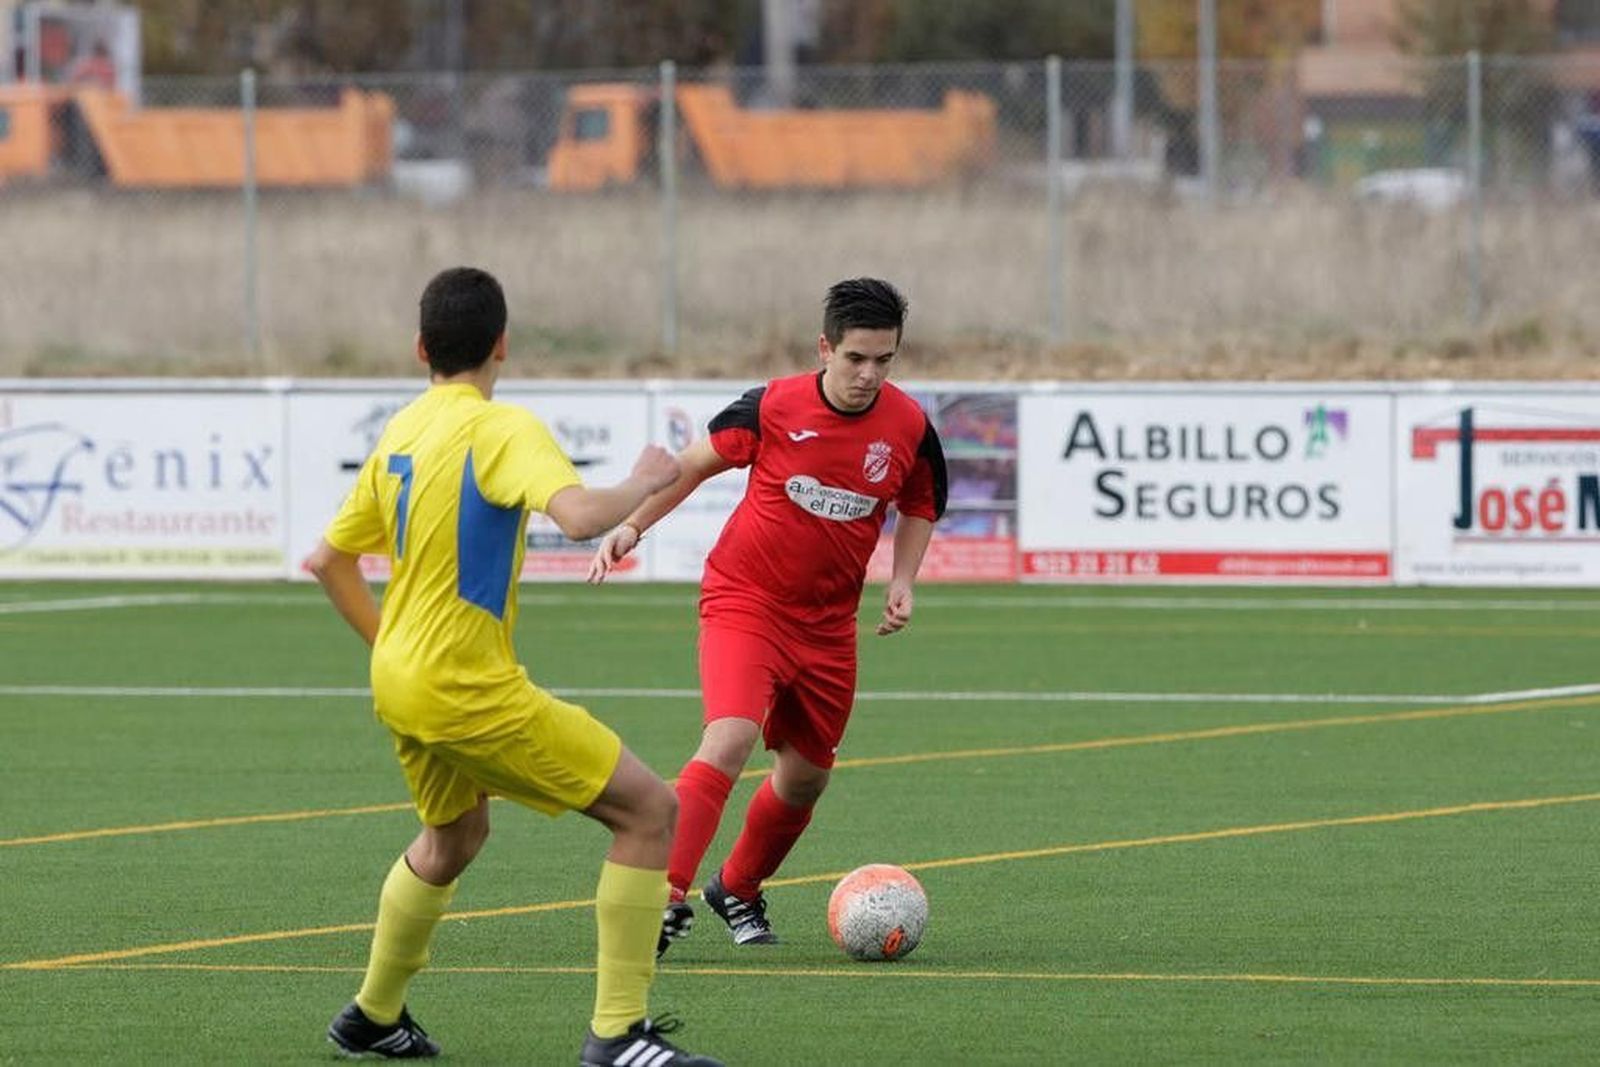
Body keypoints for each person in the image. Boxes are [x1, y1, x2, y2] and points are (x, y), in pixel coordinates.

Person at [307, 267, 722, 1066]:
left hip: (398, 679)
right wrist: (648, 478)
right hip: (465, 687)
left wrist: (397, 647)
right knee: (649, 811)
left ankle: (371, 1014)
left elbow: (329, 561)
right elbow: (576, 518)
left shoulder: (399, 431)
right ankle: (618, 1035)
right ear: (502, 344)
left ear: (420, 348)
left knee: (453, 835)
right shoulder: (500, 428)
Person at [587, 277, 946, 955]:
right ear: (825, 348)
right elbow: (691, 467)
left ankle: (738, 885)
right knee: (729, 737)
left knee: (807, 775)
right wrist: (632, 526)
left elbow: (922, 501)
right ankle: (658, 898)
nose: (869, 374)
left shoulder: (908, 425)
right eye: (856, 358)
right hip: (745, 599)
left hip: (829, 624)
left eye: (885, 360)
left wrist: (903, 579)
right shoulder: (773, 407)